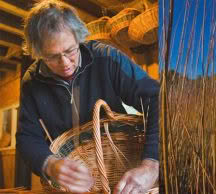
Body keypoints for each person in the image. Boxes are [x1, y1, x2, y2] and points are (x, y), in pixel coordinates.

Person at [15, 0, 159, 193]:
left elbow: (157, 100)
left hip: (119, 159)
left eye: (70, 51)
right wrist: (49, 164)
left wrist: (151, 163)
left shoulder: (106, 58)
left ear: (79, 38)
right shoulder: (32, 82)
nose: (65, 63)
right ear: (38, 53)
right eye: (52, 57)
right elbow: (27, 137)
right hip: (70, 181)